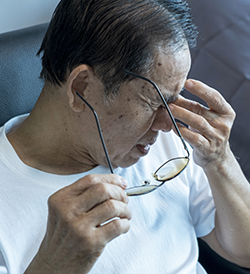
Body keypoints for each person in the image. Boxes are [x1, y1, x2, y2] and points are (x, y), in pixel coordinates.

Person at [0, 0, 250, 273]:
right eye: (155, 102)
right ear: (81, 87)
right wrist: (53, 265)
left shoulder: (161, 142)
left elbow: (244, 253)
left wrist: (219, 160)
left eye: (172, 102)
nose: (169, 123)